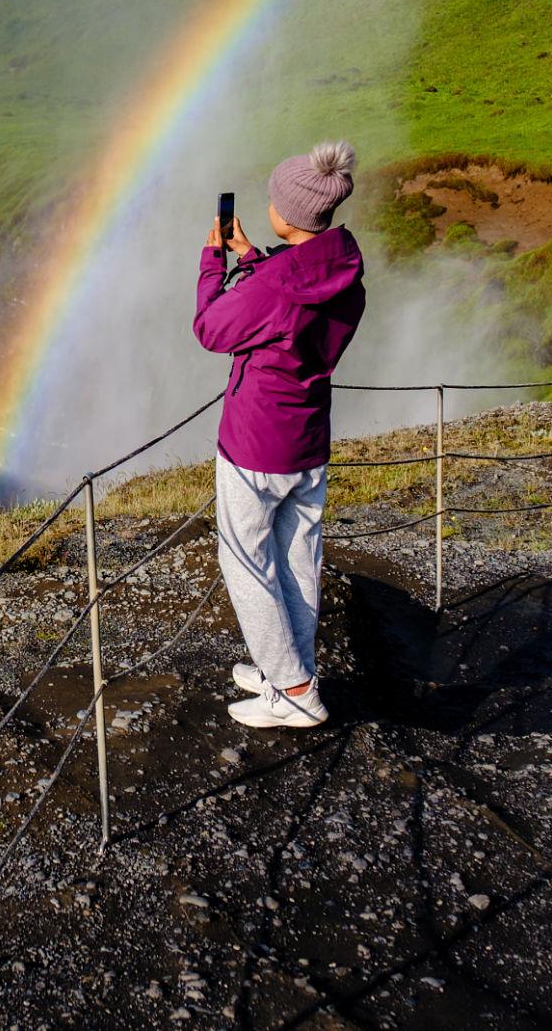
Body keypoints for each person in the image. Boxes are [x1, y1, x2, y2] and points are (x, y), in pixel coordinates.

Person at [193, 141, 365, 730]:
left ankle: (292, 691)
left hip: (256, 441)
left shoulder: (274, 286)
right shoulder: (342, 263)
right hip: (308, 437)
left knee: (244, 561)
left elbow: (212, 328)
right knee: (297, 557)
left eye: (273, 200)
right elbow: (295, 294)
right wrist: (254, 258)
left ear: (288, 215)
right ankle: (288, 668)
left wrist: (214, 264)